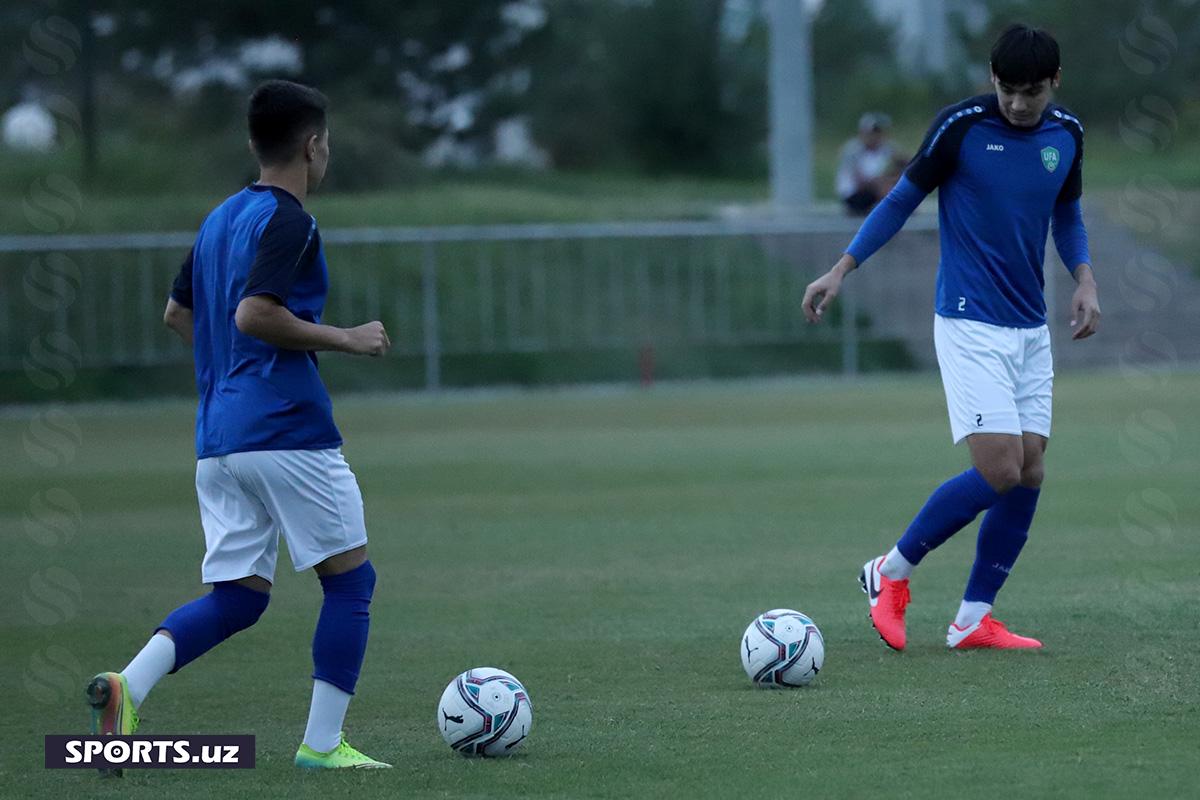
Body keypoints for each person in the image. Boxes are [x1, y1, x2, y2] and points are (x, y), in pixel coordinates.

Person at [85, 79, 394, 772]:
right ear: (312, 146)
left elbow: (178, 314)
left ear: (255, 143)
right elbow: (255, 313)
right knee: (351, 582)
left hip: (219, 440)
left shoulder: (220, 219)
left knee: (239, 599)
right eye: (327, 142)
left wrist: (228, 371)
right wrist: (347, 338)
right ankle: (322, 747)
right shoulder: (290, 220)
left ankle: (127, 688)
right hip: (286, 430)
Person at [802, 24, 1101, 651]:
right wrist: (841, 268)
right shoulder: (961, 126)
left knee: (1030, 470)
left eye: (1032, 91)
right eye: (1007, 89)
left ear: (1055, 82)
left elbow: (1067, 211)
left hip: (1029, 325)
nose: (1018, 103)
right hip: (969, 319)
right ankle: (889, 571)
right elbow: (899, 200)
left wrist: (1084, 278)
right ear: (992, 79)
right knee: (1000, 468)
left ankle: (972, 619)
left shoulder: (1067, 134)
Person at [835, 112, 906, 216]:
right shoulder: (853, 150)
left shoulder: (887, 148)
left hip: (877, 190)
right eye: (873, 132)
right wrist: (884, 181)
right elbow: (860, 181)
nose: (876, 136)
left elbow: (906, 162)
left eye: (879, 132)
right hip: (855, 195)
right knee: (884, 186)